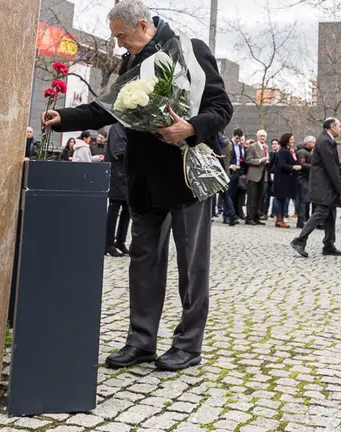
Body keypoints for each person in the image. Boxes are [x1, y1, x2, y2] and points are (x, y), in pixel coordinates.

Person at [42, 0, 232, 371]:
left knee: (192, 266)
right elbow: (108, 109)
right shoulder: (132, 59)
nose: (118, 45)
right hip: (144, 179)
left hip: (185, 175)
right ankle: (141, 340)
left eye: (122, 37)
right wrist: (63, 117)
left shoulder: (190, 51)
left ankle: (188, 345)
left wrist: (190, 128)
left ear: (144, 26)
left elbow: (221, 107)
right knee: (143, 262)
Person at [291, 118, 341, 258]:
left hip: (325, 185)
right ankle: (300, 240)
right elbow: (331, 167)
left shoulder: (325, 140)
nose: (340, 129)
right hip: (323, 185)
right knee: (321, 212)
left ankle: (329, 244)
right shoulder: (325, 141)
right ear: (332, 127)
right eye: (339, 126)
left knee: (330, 213)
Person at [105, 124, 131, 256]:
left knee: (127, 210)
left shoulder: (126, 127)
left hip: (126, 175)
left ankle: (121, 241)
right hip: (117, 175)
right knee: (114, 209)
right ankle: (108, 243)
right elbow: (119, 151)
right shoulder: (117, 127)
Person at [272, 133, 302, 228]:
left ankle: (280, 219)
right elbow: (281, 165)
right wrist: (293, 167)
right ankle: (279, 219)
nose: (293, 141)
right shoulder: (283, 151)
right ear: (286, 140)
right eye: (291, 139)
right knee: (280, 199)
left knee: (283, 199)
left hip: (285, 179)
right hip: (282, 179)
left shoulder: (288, 151)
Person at [245, 132, 269, 225]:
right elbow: (248, 160)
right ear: (257, 137)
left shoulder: (266, 146)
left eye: (264, 136)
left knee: (260, 198)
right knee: (252, 198)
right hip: (254, 176)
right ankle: (249, 218)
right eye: (261, 136)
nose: (262, 137)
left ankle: (256, 217)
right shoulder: (253, 146)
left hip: (263, 175)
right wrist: (259, 160)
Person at [219, 132, 239, 226]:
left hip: (214, 171)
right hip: (225, 172)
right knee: (226, 196)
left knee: (208, 197)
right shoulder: (229, 143)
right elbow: (231, 157)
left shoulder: (212, 140)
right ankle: (232, 216)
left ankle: (207, 217)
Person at [295, 136, 315, 228]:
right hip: (303, 178)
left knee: (306, 200)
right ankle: (301, 220)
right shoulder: (302, 152)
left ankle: (305, 219)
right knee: (304, 200)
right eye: (313, 142)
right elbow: (301, 164)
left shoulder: (309, 152)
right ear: (308, 143)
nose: (314, 144)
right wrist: (313, 166)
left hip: (308, 178)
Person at [228, 129, 245, 220]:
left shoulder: (240, 146)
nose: (238, 140)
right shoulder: (229, 144)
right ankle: (228, 215)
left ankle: (234, 214)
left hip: (238, 171)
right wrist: (230, 166)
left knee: (235, 194)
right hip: (231, 171)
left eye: (240, 138)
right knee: (230, 194)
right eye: (237, 138)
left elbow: (241, 158)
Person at [264, 137, 279, 219]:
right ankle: (265, 212)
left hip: (276, 177)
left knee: (276, 197)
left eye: (276, 144)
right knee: (266, 196)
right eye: (273, 144)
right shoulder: (269, 154)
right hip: (269, 176)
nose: (274, 146)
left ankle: (274, 213)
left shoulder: (280, 154)